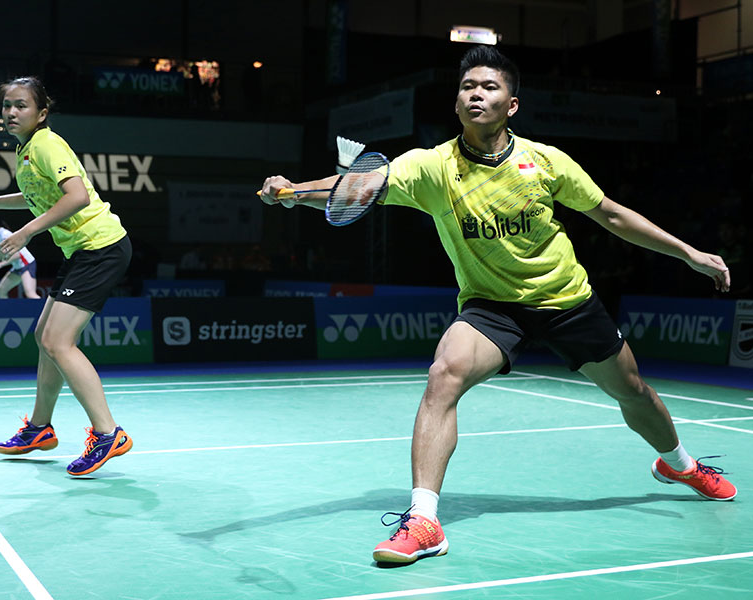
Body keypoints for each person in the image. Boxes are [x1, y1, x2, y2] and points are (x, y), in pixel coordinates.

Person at [259, 46, 736, 565]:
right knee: (444, 374)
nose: (476, 94)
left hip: (565, 298)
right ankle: (424, 521)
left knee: (633, 391)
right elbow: (356, 187)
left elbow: (612, 215)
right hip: (491, 305)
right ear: (457, 103)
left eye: (489, 87)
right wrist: (294, 191)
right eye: (467, 87)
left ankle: (680, 465)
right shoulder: (431, 167)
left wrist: (687, 253)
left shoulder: (546, 162)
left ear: (511, 105)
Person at [0, 76, 133, 476]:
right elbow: (39, 197)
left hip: (100, 247)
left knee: (59, 342)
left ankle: (109, 433)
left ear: (41, 113)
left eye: (21, 105)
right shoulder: (25, 150)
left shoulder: (46, 143)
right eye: (7, 105)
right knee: (45, 336)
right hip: (80, 251)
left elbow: (77, 196)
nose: (11, 112)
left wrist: (26, 232)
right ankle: (40, 428)